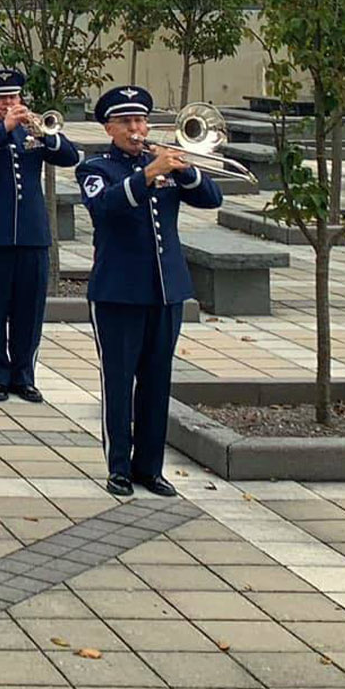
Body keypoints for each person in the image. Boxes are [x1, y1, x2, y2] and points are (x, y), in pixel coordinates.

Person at [78, 85, 222, 497]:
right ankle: (119, 468)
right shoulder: (97, 168)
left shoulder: (165, 164)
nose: (136, 129)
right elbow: (105, 207)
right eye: (126, 122)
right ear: (109, 127)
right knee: (120, 383)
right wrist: (148, 174)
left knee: (158, 383)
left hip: (166, 290)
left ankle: (150, 468)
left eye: (140, 121)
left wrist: (186, 169)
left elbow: (212, 199)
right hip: (118, 292)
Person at [0, 67, 82, 402]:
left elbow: (69, 156)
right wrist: (5, 127)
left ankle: (24, 375)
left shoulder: (34, 131)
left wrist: (44, 133)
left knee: (29, 311)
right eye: (1, 99)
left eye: (13, 97)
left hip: (32, 235)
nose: (9, 103)